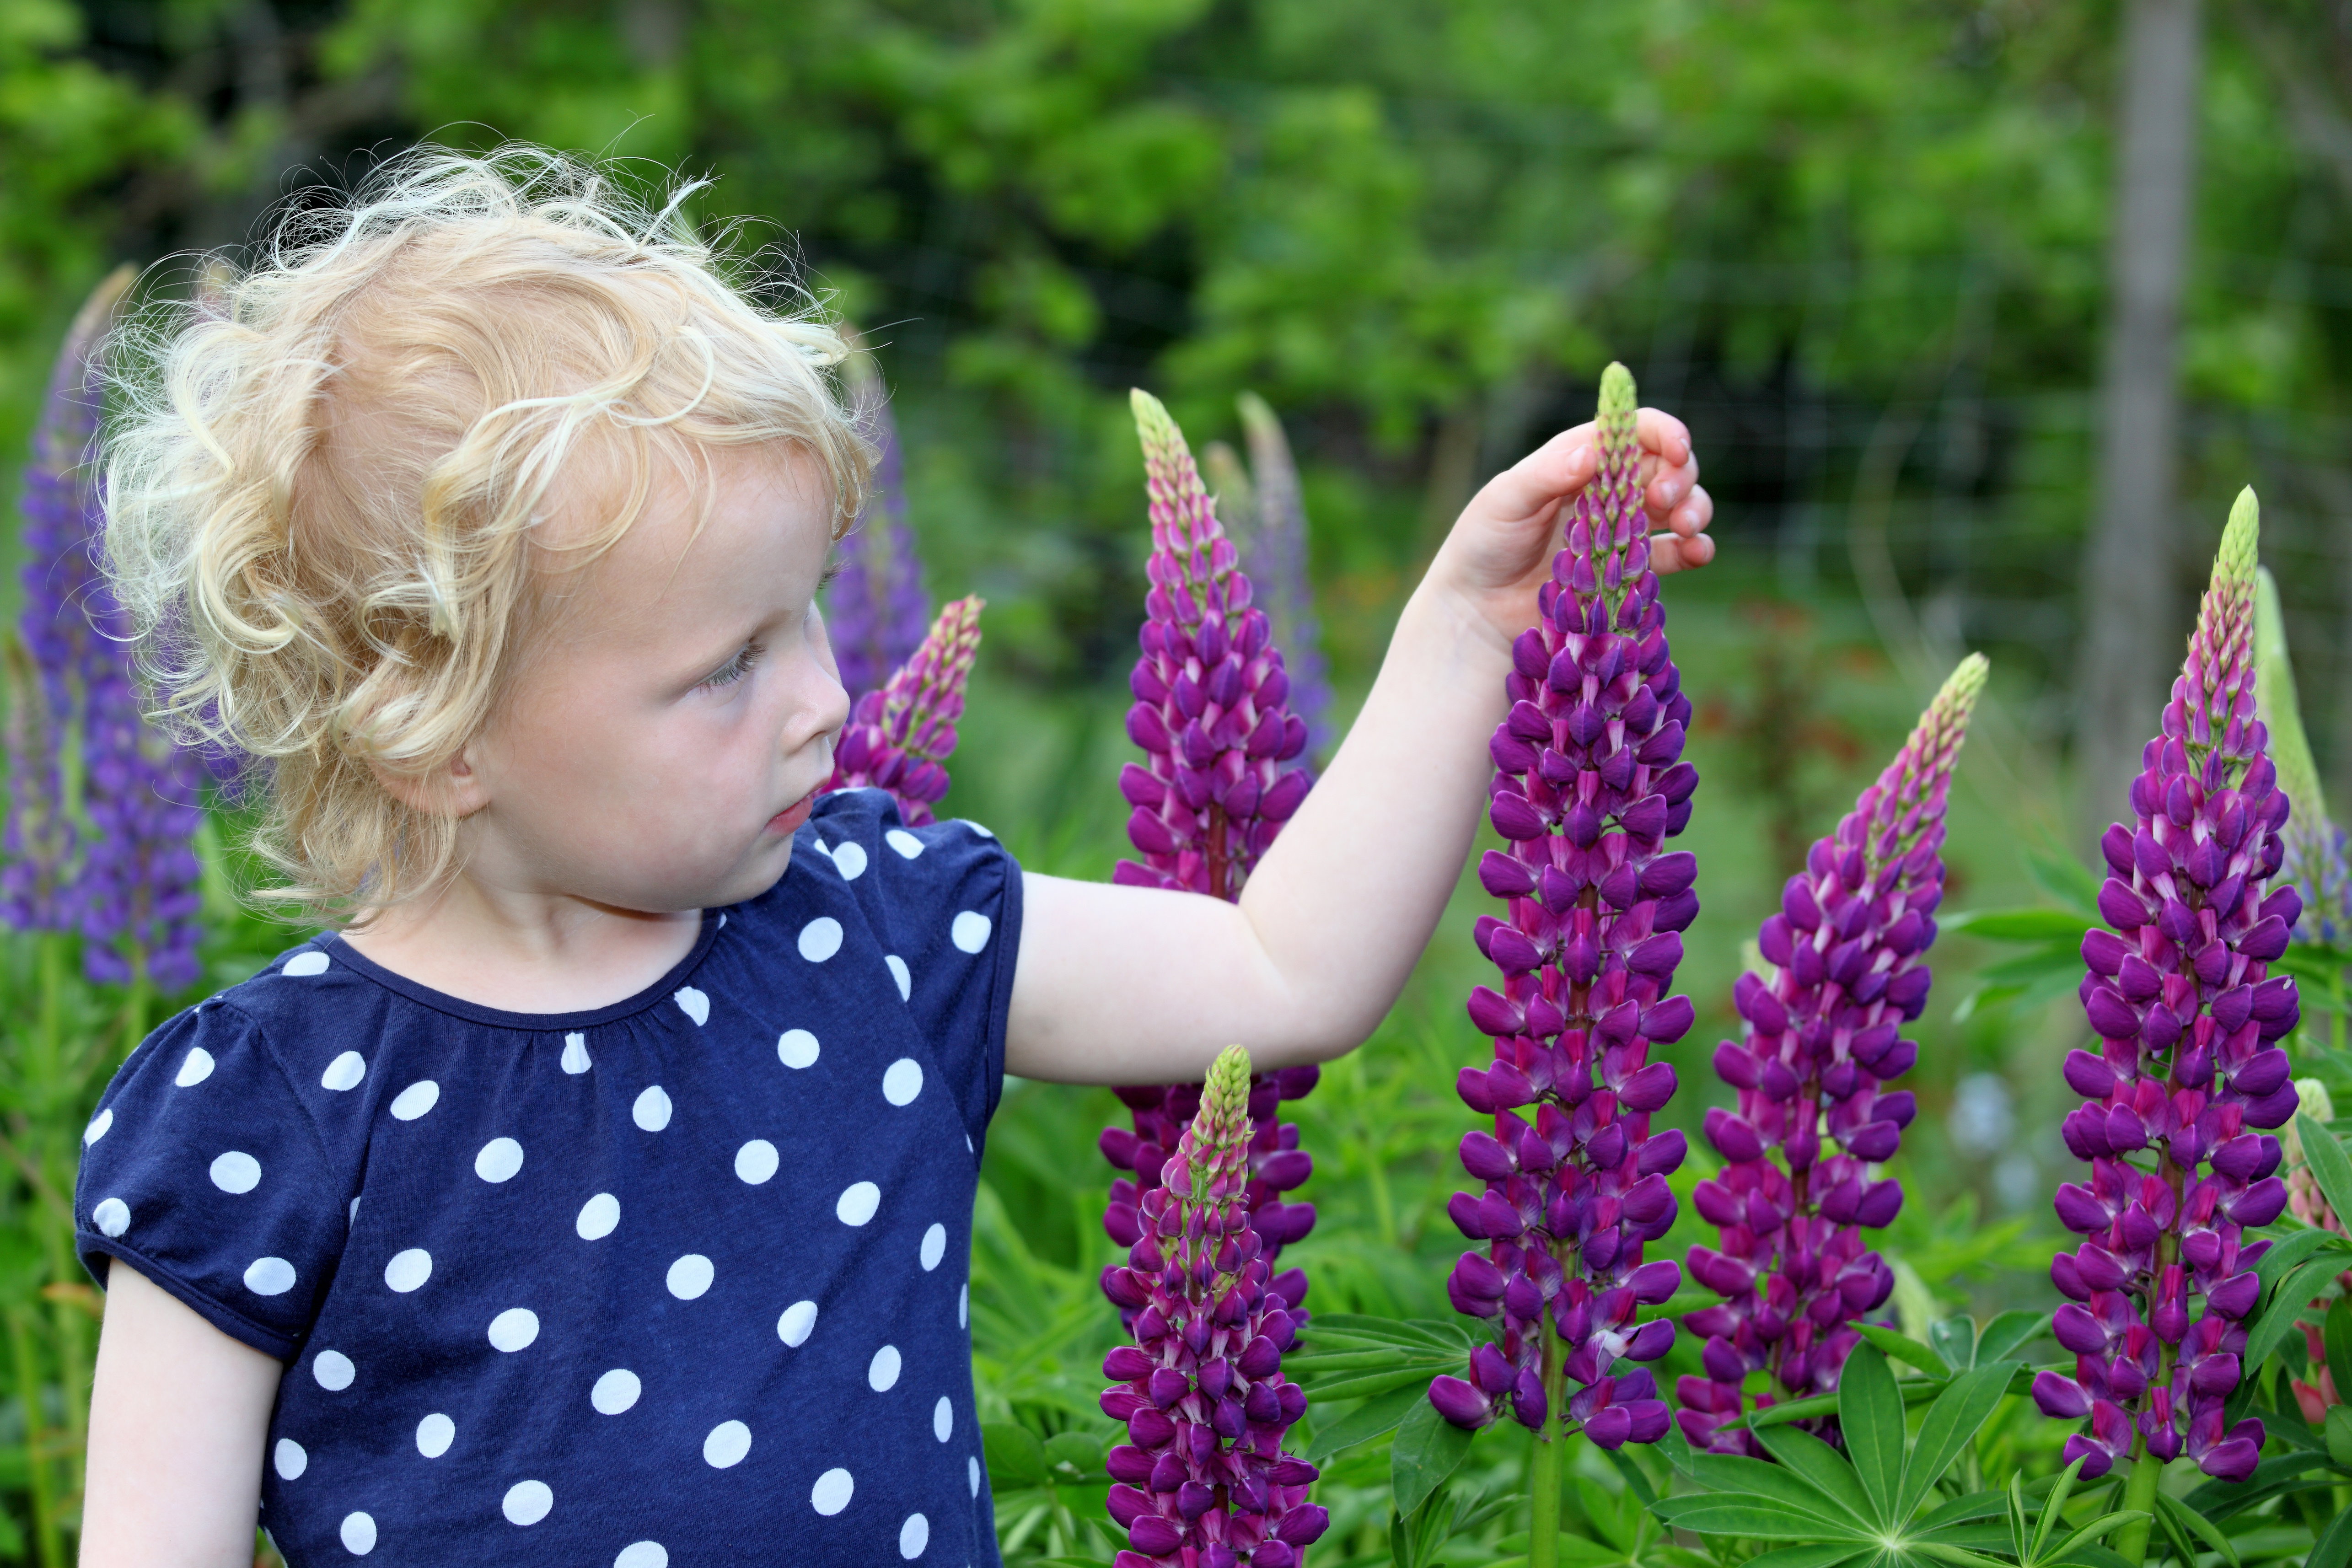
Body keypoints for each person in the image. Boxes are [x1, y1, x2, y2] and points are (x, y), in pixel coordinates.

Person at [73, 145, 1714, 1567]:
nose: (826, 698)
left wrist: (1463, 632)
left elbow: (1286, 967)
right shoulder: (262, 1115)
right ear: (433, 738)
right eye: (727, 665)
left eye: (810, 614)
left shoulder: (867, 925)